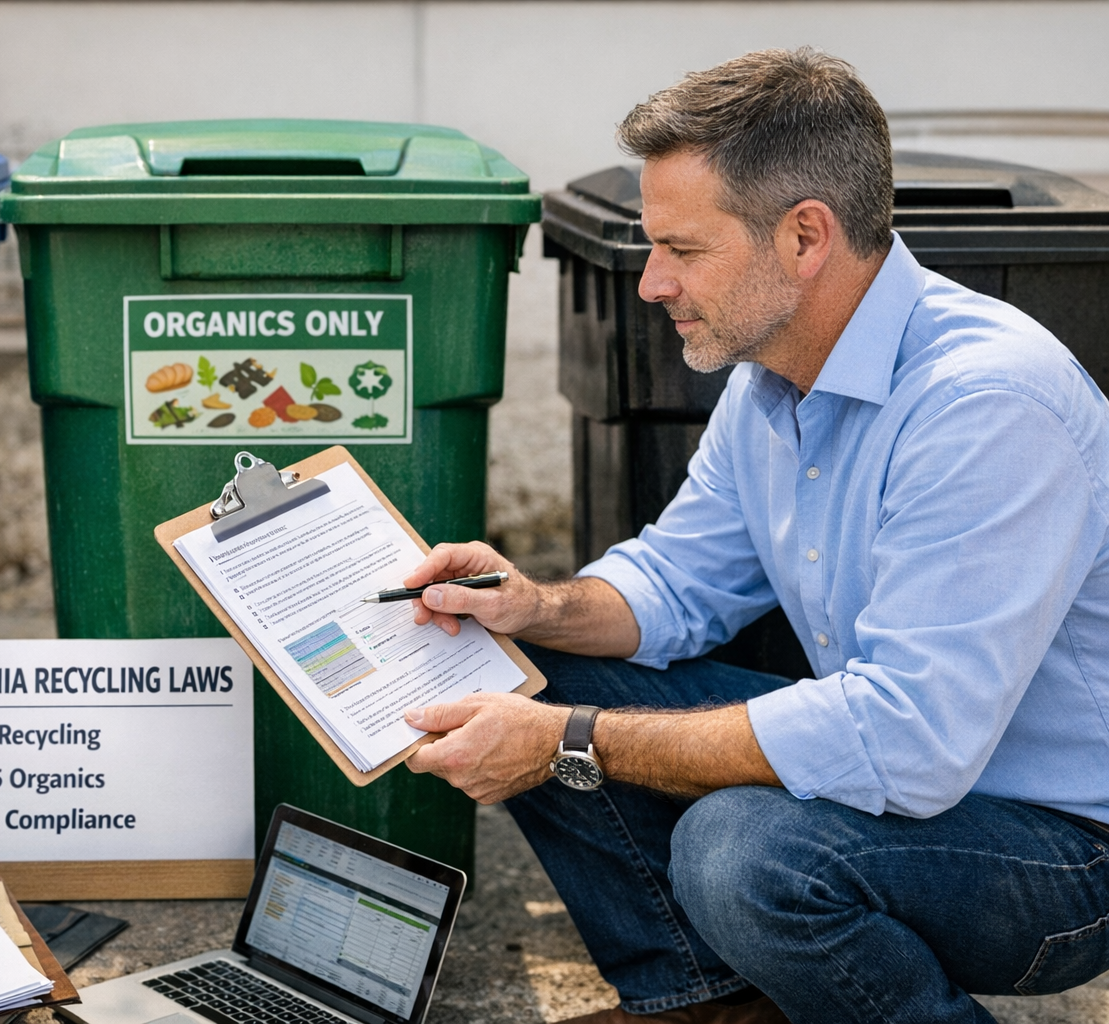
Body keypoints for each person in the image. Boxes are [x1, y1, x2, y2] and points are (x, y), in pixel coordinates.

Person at [401, 48, 1109, 1024]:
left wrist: (568, 743)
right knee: (517, 663)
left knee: (741, 851)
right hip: (913, 773)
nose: (651, 283)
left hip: (1061, 852)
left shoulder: (984, 404)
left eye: (682, 250)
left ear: (805, 236)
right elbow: (676, 583)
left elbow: (908, 739)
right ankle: (710, 1001)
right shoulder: (769, 379)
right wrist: (534, 606)